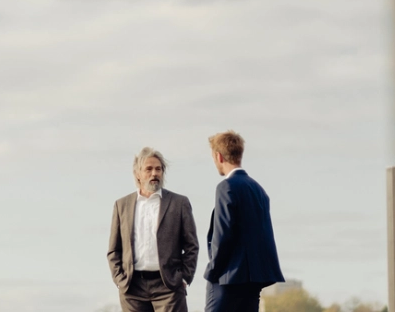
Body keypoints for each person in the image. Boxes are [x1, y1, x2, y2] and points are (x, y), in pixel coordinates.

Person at [107, 147, 200, 312]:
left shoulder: (179, 203)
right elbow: (114, 250)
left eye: (158, 169)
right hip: (132, 289)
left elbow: (191, 245)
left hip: (169, 287)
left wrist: (184, 277)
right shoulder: (122, 205)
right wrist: (120, 280)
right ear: (137, 173)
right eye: (148, 169)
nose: (154, 173)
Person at [202, 131, 283, 312]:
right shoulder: (259, 190)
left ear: (218, 156)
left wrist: (212, 270)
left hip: (227, 277)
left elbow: (223, 234)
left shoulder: (226, 187)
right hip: (254, 279)